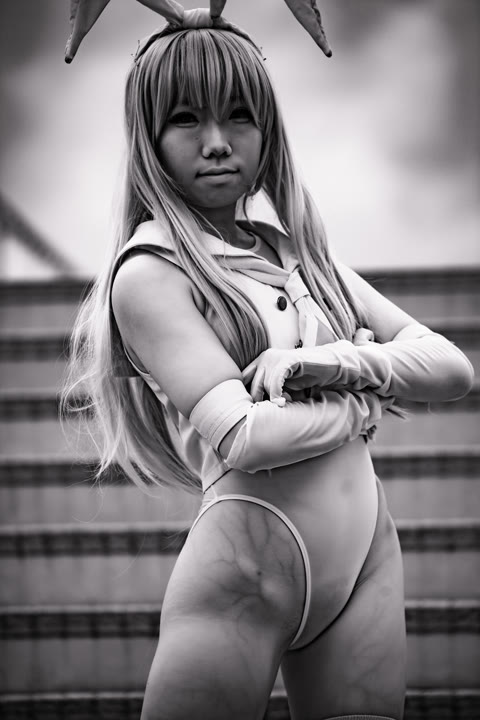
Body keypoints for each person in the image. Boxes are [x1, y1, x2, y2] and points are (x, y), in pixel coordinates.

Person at [63, 8, 474, 720]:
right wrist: (368, 396)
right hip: (243, 566)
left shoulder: (298, 251)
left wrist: (337, 362)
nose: (218, 143)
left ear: (268, 128)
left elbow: (452, 368)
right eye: (186, 119)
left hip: (366, 559)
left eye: (240, 115)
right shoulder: (149, 271)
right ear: (149, 137)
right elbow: (245, 437)